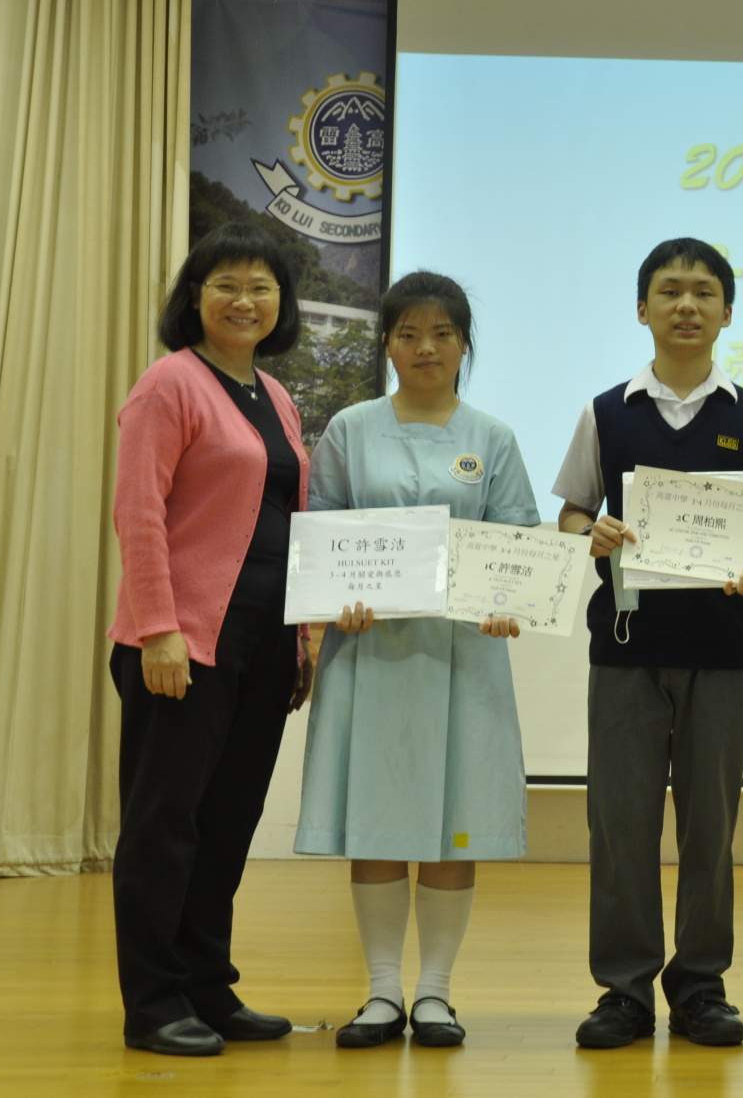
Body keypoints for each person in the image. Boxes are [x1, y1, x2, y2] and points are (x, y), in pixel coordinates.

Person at [553, 238, 743, 1049]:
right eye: (669, 290)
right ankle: (624, 990)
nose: (686, 304)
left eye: (703, 292)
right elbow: (570, 512)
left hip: (722, 651)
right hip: (625, 650)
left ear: (728, 311)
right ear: (643, 308)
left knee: (710, 830)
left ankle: (701, 986)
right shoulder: (604, 411)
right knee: (619, 828)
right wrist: (589, 532)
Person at [293, 272, 539, 1050]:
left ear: (464, 343)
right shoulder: (350, 428)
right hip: (370, 650)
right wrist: (335, 598)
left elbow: (518, 542)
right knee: (376, 815)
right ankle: (380, 992)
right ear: (388, 343)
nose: (425, 347)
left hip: (462, 654)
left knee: (452, 822)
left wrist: (508, 600)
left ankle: (434, 992)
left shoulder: (492, 436)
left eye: (441, 333)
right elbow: (322, 531)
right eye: (408, 333)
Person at [107, 223, 313, 1056]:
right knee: (165, 824)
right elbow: (138, 512)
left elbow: (288, 522)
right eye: (225, 283)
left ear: (280, 303)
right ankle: (154, 1001)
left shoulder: (276, 394)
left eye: (261, 286)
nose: (244, 299)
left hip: (262, 644)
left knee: (228, 821)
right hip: (182, 642)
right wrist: (157, 627)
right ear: (195, 297)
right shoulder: (170, 383)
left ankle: (205, 986)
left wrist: (301, 642)